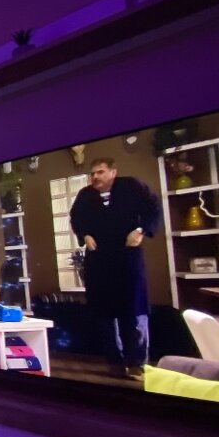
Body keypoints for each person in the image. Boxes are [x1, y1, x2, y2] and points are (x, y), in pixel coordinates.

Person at [70, 157, 161, 379]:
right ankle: (115, 362)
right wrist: (85, 235)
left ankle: (137, 363)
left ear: (113, 172)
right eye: (92, 173)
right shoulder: (85, 195)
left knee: (134, 311)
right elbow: (76, 218)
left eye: (100, 172)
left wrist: (140, 230)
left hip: (127, 257)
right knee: (105, 314)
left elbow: (153, 208)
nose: (95, 177)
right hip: (99, 261)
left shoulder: (132, 186)